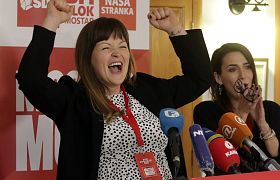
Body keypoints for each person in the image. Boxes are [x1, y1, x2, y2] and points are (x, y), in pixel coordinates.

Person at [15, 0, 212, 179]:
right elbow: (31, 81)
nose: (117, 53)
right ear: (88, 59)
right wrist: (51, 22)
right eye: (106, 47)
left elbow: (200, 78)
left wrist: (175, 29)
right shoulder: (75, 101)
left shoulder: (150, 89)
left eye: (122, 46)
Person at [193, 43, 280, 173]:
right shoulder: (206, 111)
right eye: (232, 69)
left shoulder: (271, 109)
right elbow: (217, 166)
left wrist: (263, 125)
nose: (242, 75)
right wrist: (241, 113)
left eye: (247, 67)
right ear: (218, 78)